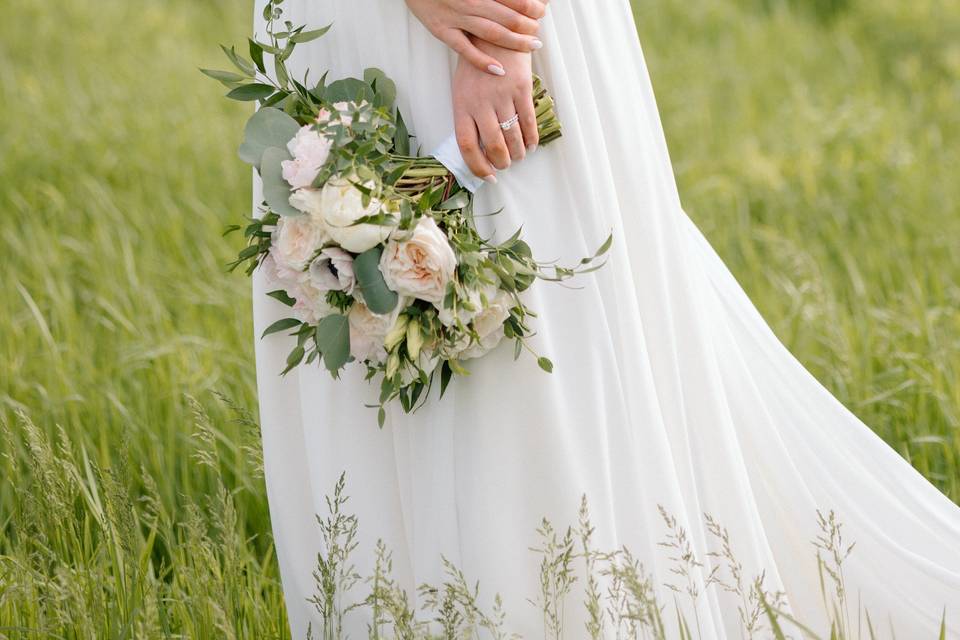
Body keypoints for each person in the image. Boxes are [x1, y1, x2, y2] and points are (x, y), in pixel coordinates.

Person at [252, 1, 960, 637]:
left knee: (517, 350)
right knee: (353, 302)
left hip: (473, 29)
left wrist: (503, 44)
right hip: (343, 23)